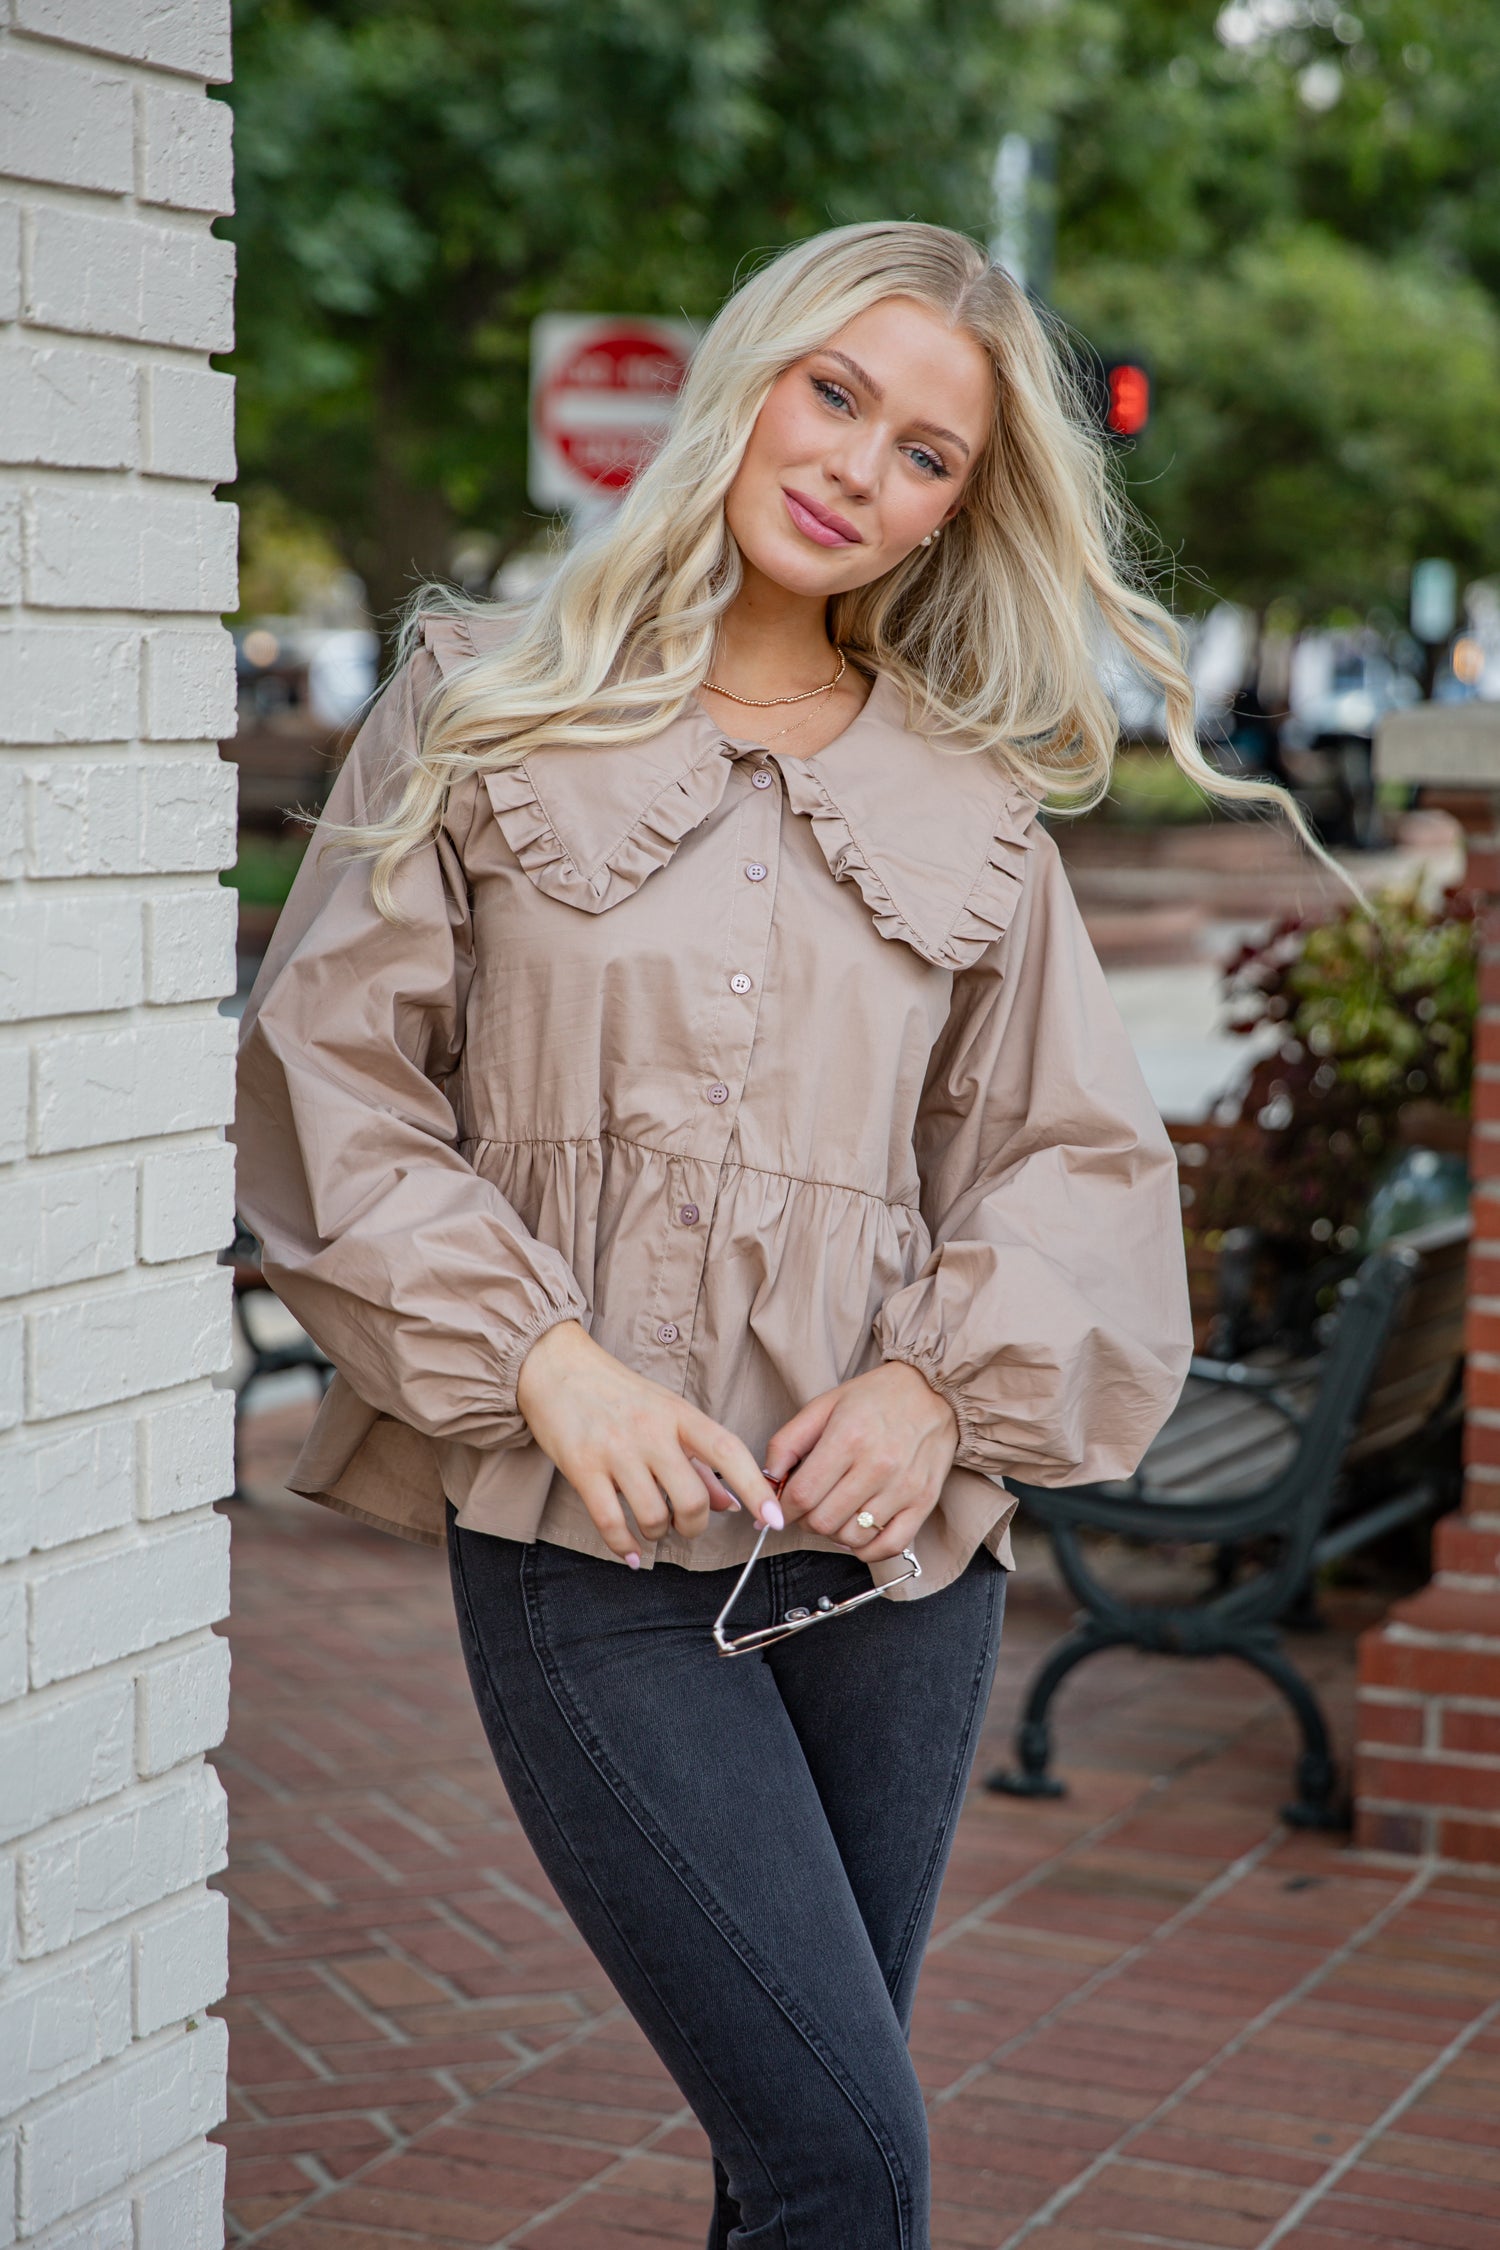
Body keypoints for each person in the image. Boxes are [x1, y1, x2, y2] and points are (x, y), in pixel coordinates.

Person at [232, 222, 1291, 2249]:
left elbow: (1076, 1160)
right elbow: (333, 1083)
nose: (860, 470)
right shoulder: (484, 708)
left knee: (803, 2139)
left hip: (897, 1557)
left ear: (958, 510)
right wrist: (543, 1358)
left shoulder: (973, 804)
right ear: (750, 376)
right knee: (849, 2156)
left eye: (927, 454)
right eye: (839, 396)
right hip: (590, 1540)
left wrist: (930, 1389)